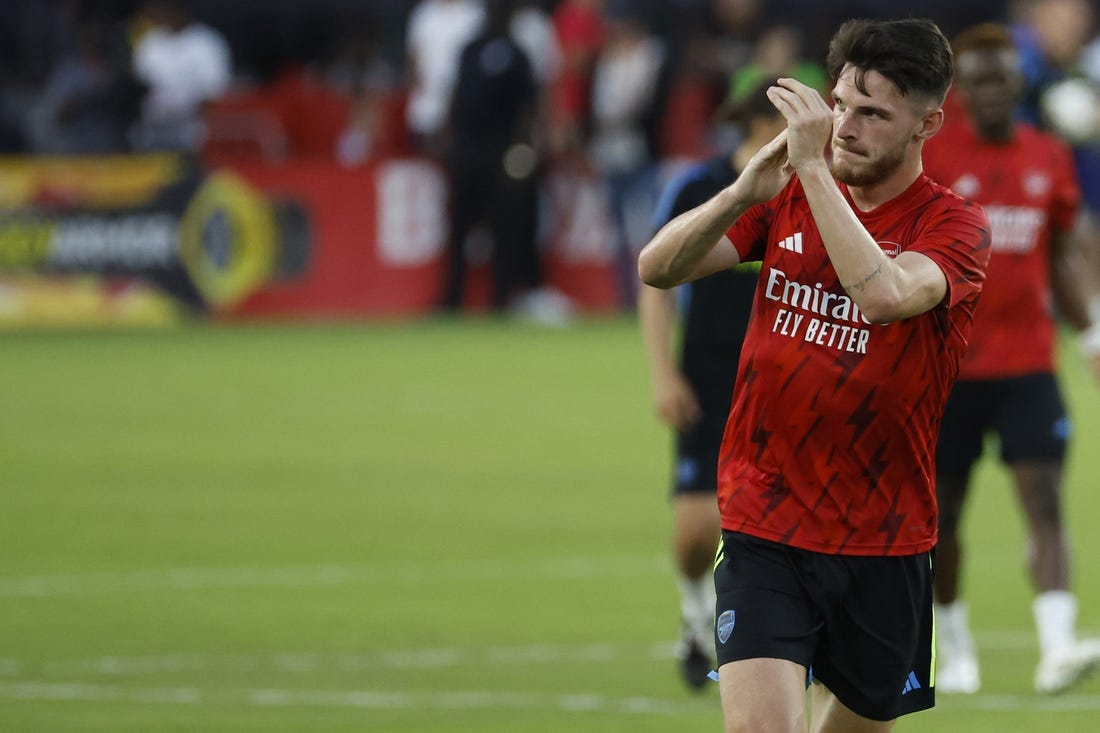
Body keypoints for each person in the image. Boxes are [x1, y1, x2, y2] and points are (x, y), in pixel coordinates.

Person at [638, 17, 990, 731]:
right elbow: (657, 268)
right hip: (765, 522)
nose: (847, 127)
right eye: (841, 105)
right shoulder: (785, 194)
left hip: (885, 540)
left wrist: (814, 170)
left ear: (928, 123)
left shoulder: (954, 228)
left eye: (873, 114)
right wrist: (742, 192)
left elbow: (884, 294)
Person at [922, 22, 1100, 696]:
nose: (993, 90)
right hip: (947, 368)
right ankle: (957, 645)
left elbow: (1061, 256)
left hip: (1029, 362)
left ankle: (1056, 647)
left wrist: (1091, 337)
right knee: (942, 514)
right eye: (980, 79)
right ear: (960, 90)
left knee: (1045, 498)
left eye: (1003, 77)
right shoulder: (934, 158)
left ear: (1019, 83)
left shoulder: (1049, 155)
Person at [638, 82, 788, 692]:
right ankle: (697, 611)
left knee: (776, 530)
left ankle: (765, 642)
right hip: (707, 379)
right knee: (698, 530)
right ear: (756, 125)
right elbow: (657, 279)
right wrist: (662, 372)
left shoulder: (815, 192)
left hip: (781, 386)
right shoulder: (703, 189)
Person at [440, 0, 541, 312]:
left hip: (501, 152)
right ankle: (452, 297)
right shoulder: (469, 50)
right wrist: (449, 138)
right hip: (468, 150)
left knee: (504, 226)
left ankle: (500, 296)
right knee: (458, 226)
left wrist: (521, 148)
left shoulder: (518, 53)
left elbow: (528, 105)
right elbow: (455, 96)